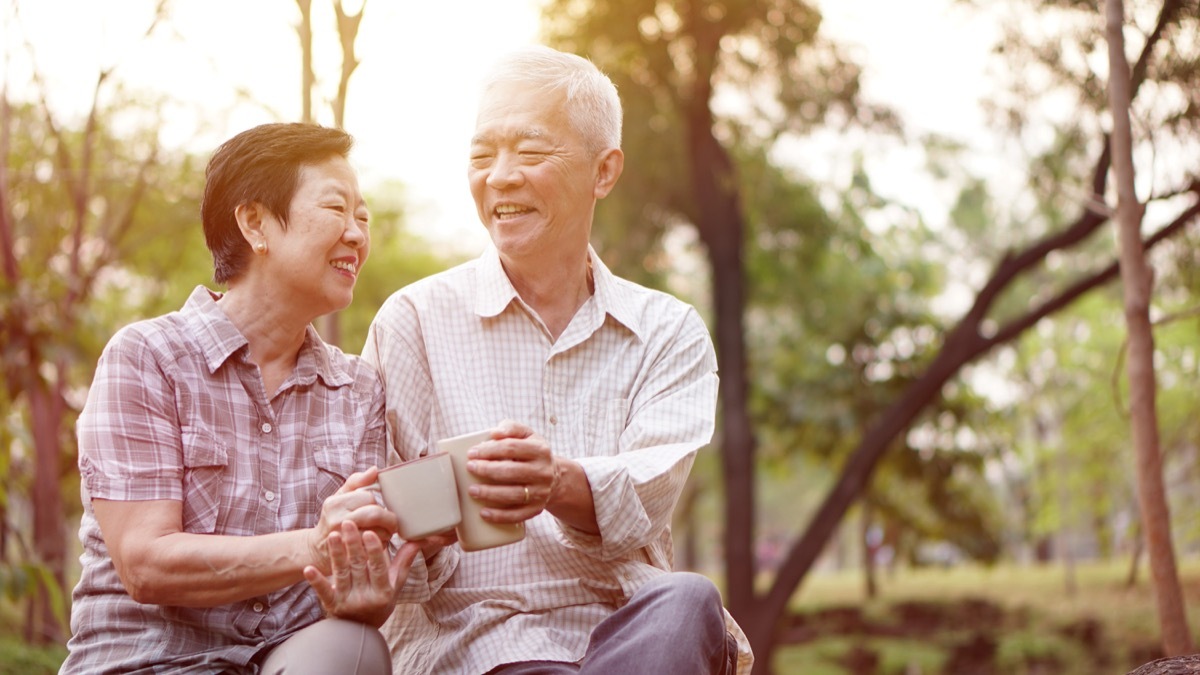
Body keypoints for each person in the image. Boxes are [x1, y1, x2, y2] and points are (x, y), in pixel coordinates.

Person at [362, 46, 753, 674]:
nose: (501, 176)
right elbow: (388, 555)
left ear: (604, 171)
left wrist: (553, 482)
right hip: (479, 641)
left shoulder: (666, 330)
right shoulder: (412, 321)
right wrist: (421, 526)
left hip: (634, 636)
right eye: (482, 155)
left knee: (688, 597)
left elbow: (645, 502)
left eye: (531, 151)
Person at [60, 122, 419, 675]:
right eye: (337, 210)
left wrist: (363, 594)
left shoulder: (358, 389)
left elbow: (349, 588)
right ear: (254, 223)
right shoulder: (146, 357)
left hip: (288, 663)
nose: (356, 234)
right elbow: (145, 564)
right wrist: (313, 545)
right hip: (146, 663)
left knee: (356, 648)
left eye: (363, 218)